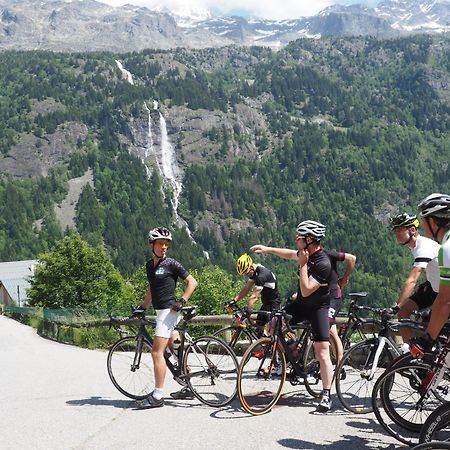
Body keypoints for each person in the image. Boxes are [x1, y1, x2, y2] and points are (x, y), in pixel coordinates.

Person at [251, 220, 334, 412]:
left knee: (322, 352)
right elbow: (289, 254)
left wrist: (303, 265)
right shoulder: (304, 253)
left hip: (318, 308)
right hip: (301, 305)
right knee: (273, 323)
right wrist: (267, 249)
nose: (296, 239)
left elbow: (306, 290)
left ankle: (326, 394)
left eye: (300, 237)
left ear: (310, 239)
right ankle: (291, 352)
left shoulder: (323, 263)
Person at [133, 227, 198, 408]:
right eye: (160, 243)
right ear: (151, 245)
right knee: (174, 350)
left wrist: (182, 301)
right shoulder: (149, 266)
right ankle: (187, 385)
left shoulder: (171, 264)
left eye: (166, 244)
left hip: (169, 313)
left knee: (156, 353)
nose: (164, 247)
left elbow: (193, 282)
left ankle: (158, 396)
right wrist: (142, 307)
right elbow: (151, 289)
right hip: (160, 312)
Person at [389, 212, 440, 347]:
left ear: (412, 230)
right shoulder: (415, 246)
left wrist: (396, 305)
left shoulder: (424, 247)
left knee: (427, 323)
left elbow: (412, 280)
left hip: (445, 292)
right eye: (395, 230)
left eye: (400, 229)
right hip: (433, 287)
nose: (397, 233)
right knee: (404, 312)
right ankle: (409, 349)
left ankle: (430, 352)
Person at [410, 194, 450, 353]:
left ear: (432, 222)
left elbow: (445, 301)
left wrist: (428, 339)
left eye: (424, 220)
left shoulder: (447, 249)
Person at [234, 253, 281, 336]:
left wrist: (248, 309)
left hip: (274, 305)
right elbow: (246, 289)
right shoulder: (254, 271)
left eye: (246, 273)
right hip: (266, 304)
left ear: (251, 266)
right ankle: (265, 346)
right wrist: (234, 300)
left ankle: (284, 347)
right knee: (258, 329)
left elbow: (254, 297)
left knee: (273, 335)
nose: (246, 275)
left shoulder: (261, 276)